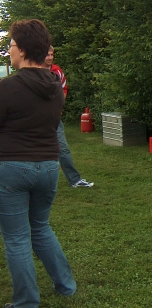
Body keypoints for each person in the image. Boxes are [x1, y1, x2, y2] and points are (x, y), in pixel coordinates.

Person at [0, 19, 77, 307]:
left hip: (12, 168)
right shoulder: (55, 86)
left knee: (17, 238)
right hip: (48, 167)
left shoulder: (7, 87)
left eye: (10, 45)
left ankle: (26, 302)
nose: (9, 51)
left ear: (21, 49)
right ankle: (66, 285)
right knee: (41, 227)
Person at [43, 46, 94, 188]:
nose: (50, 57)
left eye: (52, 54)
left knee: (63, 148)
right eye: (47, 55)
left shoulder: (57, 71)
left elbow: (63, 89)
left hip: (54, 118)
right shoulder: (34, 71)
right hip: (36, 118)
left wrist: (59, 107)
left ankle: (75, 180)